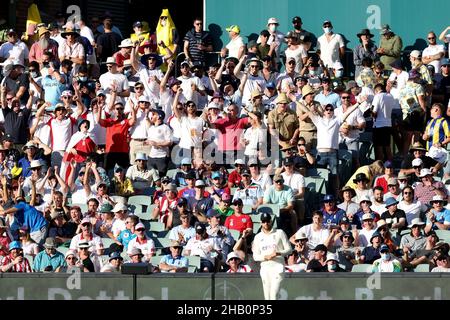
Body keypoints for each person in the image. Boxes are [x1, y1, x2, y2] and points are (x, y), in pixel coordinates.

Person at [252, 212, 291, 300]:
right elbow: (255, 256)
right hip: (265, 269)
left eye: (268, 221)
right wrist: (266, 257)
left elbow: (289, 250)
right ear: (261, 223)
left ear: (271, 221)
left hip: (278, 267)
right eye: (264, 221)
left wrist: (278, 253)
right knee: (267, 297)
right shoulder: (258, 237)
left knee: (274, 295)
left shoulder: (279, 232)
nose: (266, 223)